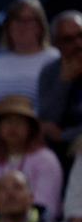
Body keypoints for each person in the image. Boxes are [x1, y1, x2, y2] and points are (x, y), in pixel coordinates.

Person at [0, 0, 61, 143]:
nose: (22, 26)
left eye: (28, 20)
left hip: (35, 140)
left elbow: (54, 104)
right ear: (8, 26)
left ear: (40, 26)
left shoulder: (53, 59)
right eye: (16, 20)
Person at [39, 11, 82, 156]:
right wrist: (63, 82)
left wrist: (64, 136)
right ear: (56, 44)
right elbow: (46, 120)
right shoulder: (50, 72)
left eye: (81, 35)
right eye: (68, 39)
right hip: (58, 150)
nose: (78, 44)